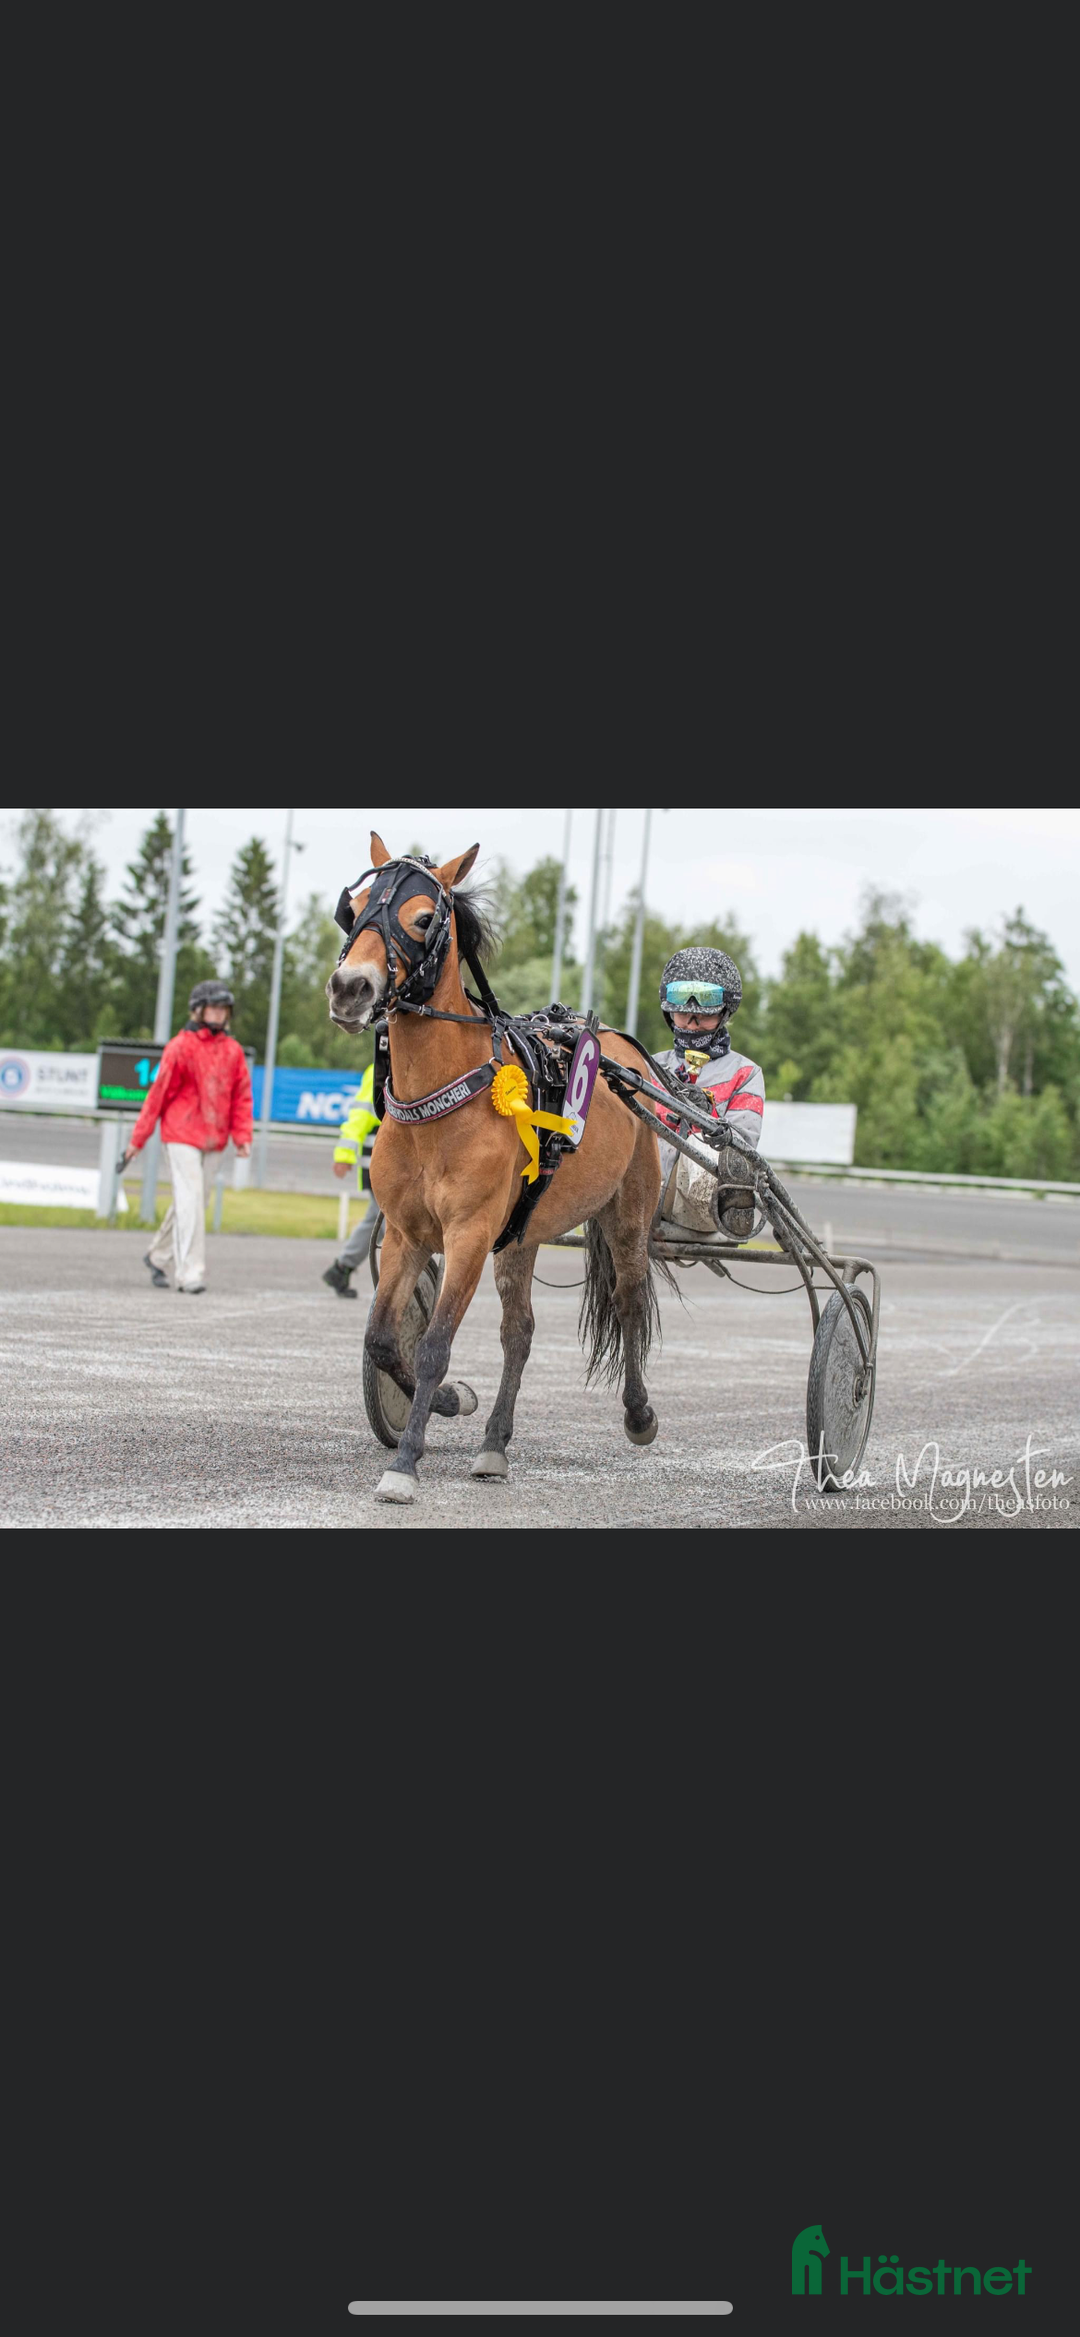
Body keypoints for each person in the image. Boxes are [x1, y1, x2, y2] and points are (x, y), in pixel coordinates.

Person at [119, 980, 253, 1294]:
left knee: (193, 1202)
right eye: (213, 1007)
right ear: (198, 1010)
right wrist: (137, 1140)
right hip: (180, 1134)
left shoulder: (233, 1051)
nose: (219, 1014)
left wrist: (242, 1135)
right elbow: (157, 1095)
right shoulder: (180, 1047)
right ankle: (190, 1273)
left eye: (223, 1009)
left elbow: (241, 1097)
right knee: (190, 1200)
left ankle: (157, 1255)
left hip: (215, 1138)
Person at [653, 947, 765, 1239]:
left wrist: (707, 1117)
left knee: (718, 1155)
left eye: (704, 1013)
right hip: (643, 1190)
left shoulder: (745, 1073)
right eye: (682, 1011)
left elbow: (743, 1148)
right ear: (669, 1010)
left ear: (724, 1011)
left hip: (700, 1202)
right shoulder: (649, 1066)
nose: (692, 1021)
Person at [321, 1061, 380, 1298]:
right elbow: (360, 1115)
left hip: (394, 1153)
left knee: (377, 1219)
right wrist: (344, 1154)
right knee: (389, 1222)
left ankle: (341, 1268)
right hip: (379, 1153)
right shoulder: (380, 1068)